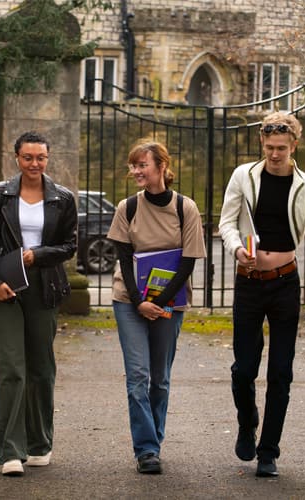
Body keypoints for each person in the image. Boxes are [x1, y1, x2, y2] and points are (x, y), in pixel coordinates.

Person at [218, 112, 305, 477]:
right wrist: (237, 249)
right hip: (249, 280)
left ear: (294, 145)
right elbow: (226, 222)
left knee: (281, 371)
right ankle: (247, 421)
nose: (275, 154)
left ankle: (268, 451)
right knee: (243, 368)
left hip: (285, 282)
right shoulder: (244, 176)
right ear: (261, 144)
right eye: (269, 148)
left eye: (282, 148)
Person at [0, 131, 78, 476]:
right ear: (16, 158)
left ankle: (39, 444)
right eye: (28, 157)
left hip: (44, 285)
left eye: (41, 158)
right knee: (9, 368)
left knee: (40, 369)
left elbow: (69, 246)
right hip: (5, 286)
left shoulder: (62, 198)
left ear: (48, 159)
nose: (34, 163)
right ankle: (10, 452)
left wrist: (37, 255)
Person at [107, 140, 206, 474]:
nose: (136, 171)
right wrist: (140, 302)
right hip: (129, 300)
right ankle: (146, 450)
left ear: (161, 166)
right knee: (137, 375)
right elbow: (122, 257)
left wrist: (159, 304)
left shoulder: (185, 208)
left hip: (169, 303)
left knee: (159, 379)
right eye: (133, 166)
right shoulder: (128, 207)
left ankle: (154, 440)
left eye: (142, 165)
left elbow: (189, 261)